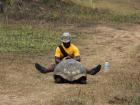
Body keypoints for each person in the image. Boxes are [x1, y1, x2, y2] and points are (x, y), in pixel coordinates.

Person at [35, 32, 101, 75]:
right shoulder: (59, 48)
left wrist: (71, 60)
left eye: (67, 42)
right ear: (62, 41)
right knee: (54, 65)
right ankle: (44, 70)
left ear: (70, 41)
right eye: (64, 42)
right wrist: (63, 62)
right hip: (62, 65)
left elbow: (78, 58)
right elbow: (56, 59)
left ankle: (91, 71)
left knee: (80, 66)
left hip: (72, 65)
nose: (66, 43)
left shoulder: (74, 48)